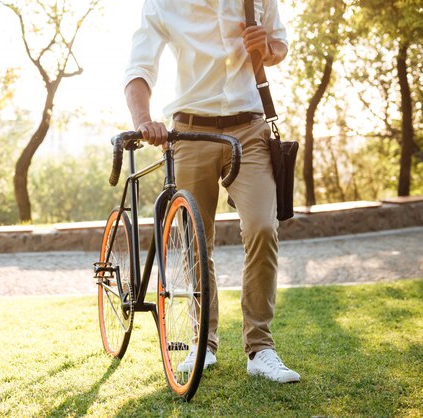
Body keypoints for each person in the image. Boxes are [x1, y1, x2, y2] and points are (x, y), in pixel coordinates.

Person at [124, 0, 300, 383]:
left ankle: (260, 349)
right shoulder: (162, 4)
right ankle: (204, 344)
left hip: (250, 129)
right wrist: (143, 120)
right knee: (195, 242)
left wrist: (266, 49)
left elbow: (281, 45)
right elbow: (139, 69)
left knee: (262, 227)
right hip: (190, 130)